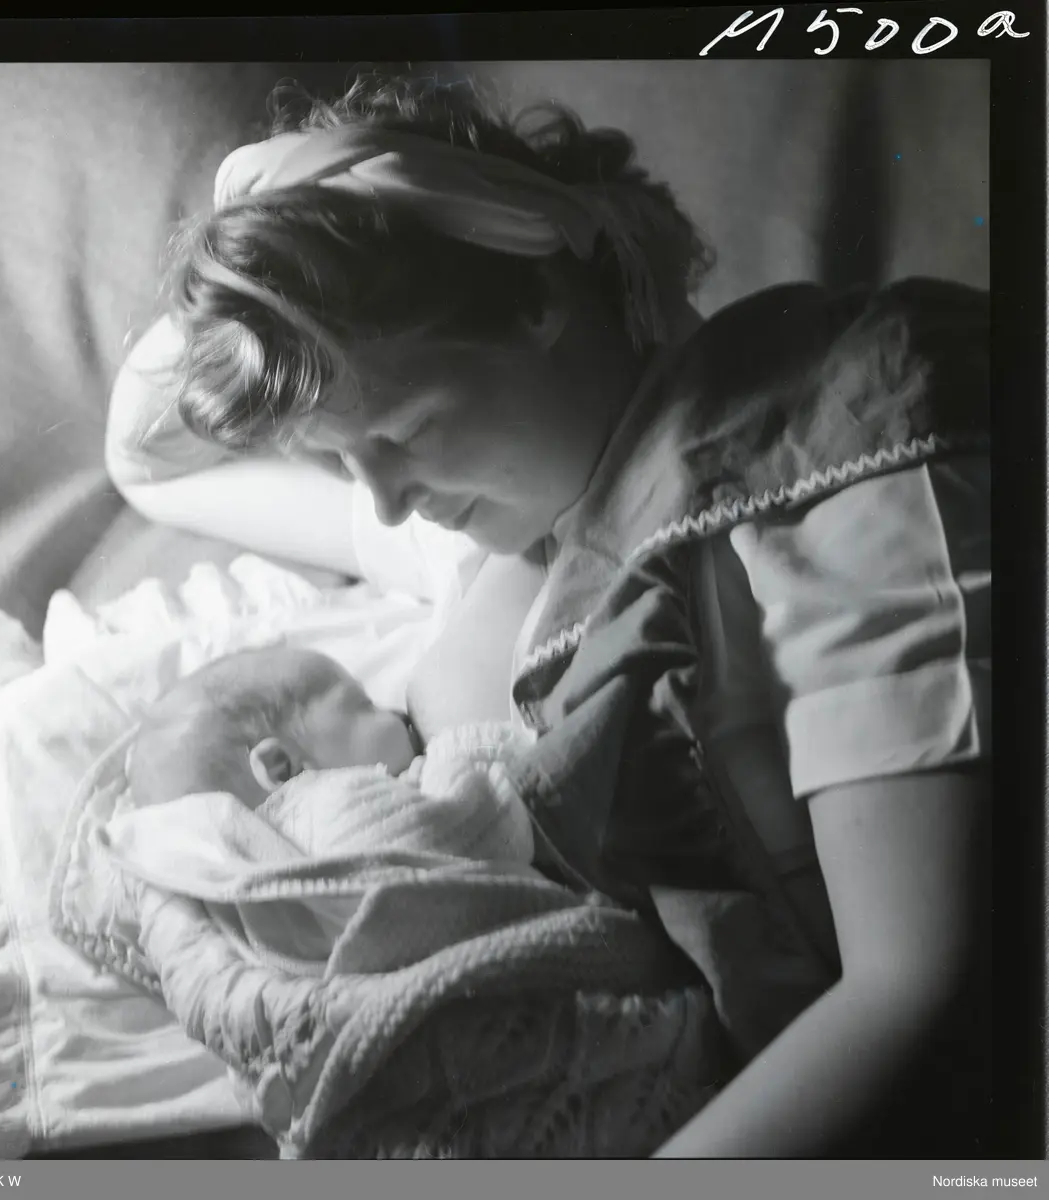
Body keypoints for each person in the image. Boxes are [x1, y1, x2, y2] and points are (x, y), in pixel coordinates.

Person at [105, 72, 992, 1157]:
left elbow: (915, 987)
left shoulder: (840, 459)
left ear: (536, 302)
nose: (379, 501)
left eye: (404, 431)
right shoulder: (480, 527)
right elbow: (145, 459)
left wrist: (410, 230)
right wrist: (254, 258)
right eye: (338, 461)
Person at [123, 640, 536, 868]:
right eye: (364, 704)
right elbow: (477, 831)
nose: (394, 711)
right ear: (282, 766)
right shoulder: (333, 816)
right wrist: (463, 748)